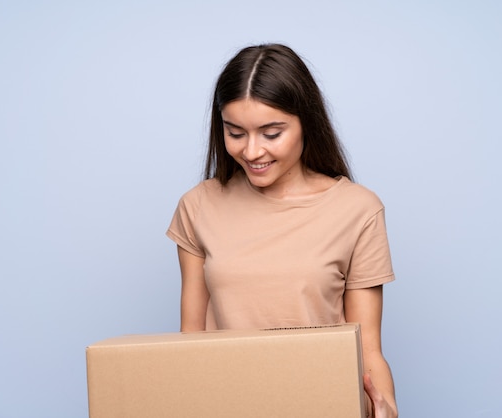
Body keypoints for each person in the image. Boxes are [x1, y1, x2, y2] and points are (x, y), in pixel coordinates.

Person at [167, 43, 398, 418]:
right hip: (226, 406)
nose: (252, 151)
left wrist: (385, 406)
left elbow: (367, 347)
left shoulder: (358, 209)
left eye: (271, 133)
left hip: (324, 405)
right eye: (235, 133)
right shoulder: (198, 206)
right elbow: (191, 339)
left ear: (307, 122)